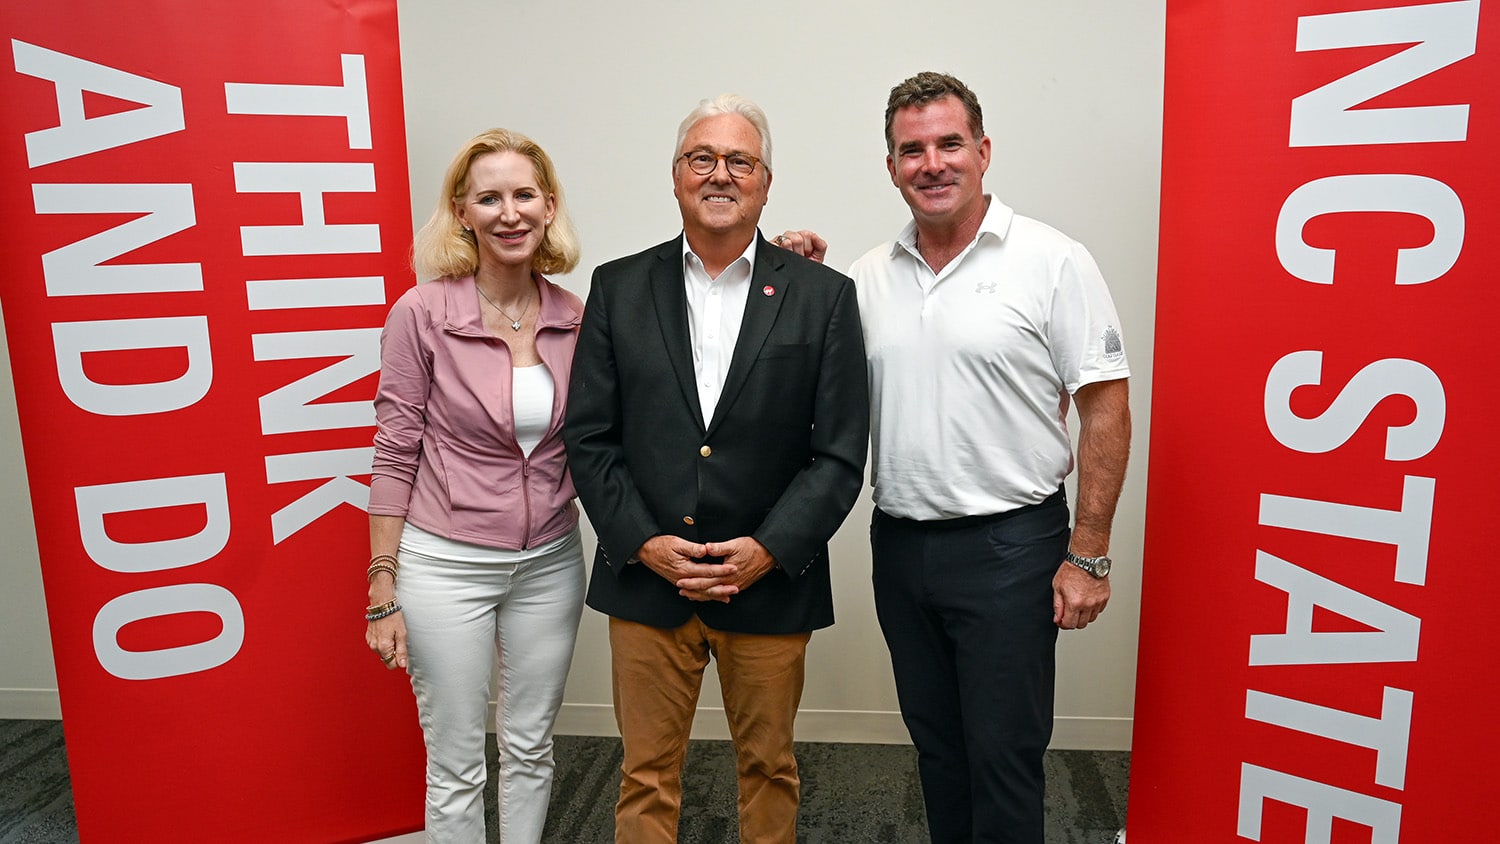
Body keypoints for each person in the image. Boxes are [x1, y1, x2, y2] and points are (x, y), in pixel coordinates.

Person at [562, 93, 869, 844]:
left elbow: (838, 453)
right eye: (703, 157)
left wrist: (768, 550)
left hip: (766, 581)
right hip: (647, 578)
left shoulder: (823, 297)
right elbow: (589, 437)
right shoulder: (618, 286)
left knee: (769, 770)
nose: (720, 173)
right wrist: (641, 541)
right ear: (675, 176)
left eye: (741, 160)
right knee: (643, 776)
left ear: (766, 182)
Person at [849, 72, 1132, 844]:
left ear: (983, 150)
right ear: (891, 165)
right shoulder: (867, 277)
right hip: (901, 546)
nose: (932, 163)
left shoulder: (1052, 259)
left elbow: (1106, 408)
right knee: (938, 750)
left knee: (1003, 757)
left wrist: (1091, 553)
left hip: (1011, 548)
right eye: (912, 149)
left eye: (948, 143)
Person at [364, 128, 587, 843]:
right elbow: (395, 449)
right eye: (489, 198)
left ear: (549, 207)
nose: (509, 212)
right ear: (463, 212)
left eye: (524, 195)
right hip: (446, 566)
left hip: (550, 562)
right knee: (457, 761)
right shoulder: (422, 314)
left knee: (529, 746)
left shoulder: (578, 318)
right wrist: (382, 585)